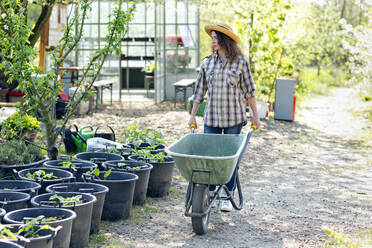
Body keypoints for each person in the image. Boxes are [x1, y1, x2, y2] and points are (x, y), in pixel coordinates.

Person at [188, 23, 261, 212]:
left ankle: (227, 195)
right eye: (211, 37)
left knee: (230, 159)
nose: (212, 40)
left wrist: (256, 116)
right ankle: (210, 192)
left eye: (215, 37)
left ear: (225, 39)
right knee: (210, 158)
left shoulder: (241, 62)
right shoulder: (207, 63)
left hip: (233, 119)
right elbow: (198, 93)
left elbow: (249, 91)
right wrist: (193, 116)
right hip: (211, 118)